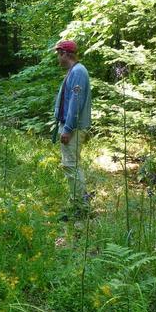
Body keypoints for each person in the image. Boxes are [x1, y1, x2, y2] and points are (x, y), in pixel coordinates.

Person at [53, 39, 92, 219]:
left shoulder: (77, 72)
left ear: (65, 54)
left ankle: (80, 209)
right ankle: (78, 204)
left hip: (73, 128)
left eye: (58, 54)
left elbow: (75, 103)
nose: (57, 59)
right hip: (71, 126)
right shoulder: (74, 71)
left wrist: (67, 129)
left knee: (71, 166)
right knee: (71, 165)